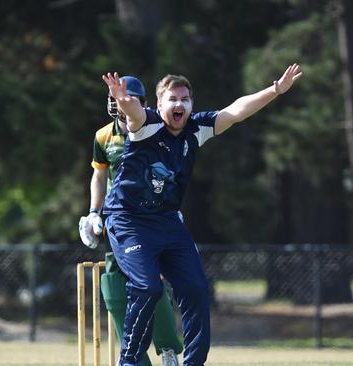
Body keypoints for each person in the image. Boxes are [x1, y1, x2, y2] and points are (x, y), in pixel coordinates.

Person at [101, 64, 302, 366]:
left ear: (191, 104)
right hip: (129, 221)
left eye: (185, 99)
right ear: (159, 104)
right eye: (172, 99)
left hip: (167, 221)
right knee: (147, 287)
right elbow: (134, 113)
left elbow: (236, 111)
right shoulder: (147, 124)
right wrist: (123, 101)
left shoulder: (196, 128)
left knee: (195, 289)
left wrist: (275, 90)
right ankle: (128, 361)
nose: (179, 104)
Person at [79, 76, 183, 366]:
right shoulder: (103, 137)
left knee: (153, 280)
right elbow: (99, 175)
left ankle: (167, 349)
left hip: (153, 217)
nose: (122, 105)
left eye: (129, 99)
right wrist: (92, 213)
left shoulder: (156, 130)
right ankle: (134, 356)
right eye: (116, 99)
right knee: (114, 281)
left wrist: (173, 207)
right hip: (121, 220)